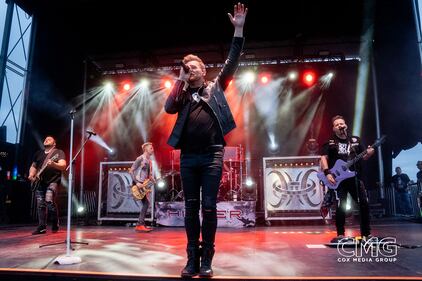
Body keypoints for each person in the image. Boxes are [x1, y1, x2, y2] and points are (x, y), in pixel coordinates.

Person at [164, 3, 247, 278]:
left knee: (209, 206)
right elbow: (168, 109)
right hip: (188, 156)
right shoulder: (183, 94)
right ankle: (191, 258)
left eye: (194, 66)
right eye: (187, 67)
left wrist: (238, 29)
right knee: (190, 207)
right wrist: (180, 80)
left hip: (212, 154)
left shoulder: (215, 88)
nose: (191, 69)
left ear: (204, 70)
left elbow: (232, 61)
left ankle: (207, 257)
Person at [320, 115, 374, 241]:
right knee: (341, 206)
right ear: (333, 128)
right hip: (339, 179)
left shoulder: (355, 140)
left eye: (342, 123)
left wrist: (370, 153)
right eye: (337, 124)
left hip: (355, 177)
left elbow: (364, 156)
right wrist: (327, 173)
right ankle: (340, 234)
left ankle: (366, 234)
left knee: (363, 204)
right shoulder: (330, 142)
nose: (340, 125)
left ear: (346, 125)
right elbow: (323, 158)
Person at [28, 136, 66, 235]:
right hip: (39, 182)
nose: (46, 139)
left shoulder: (58, 152)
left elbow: (63, 166)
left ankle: (55, 222)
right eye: (45, 138)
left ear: (54, 143)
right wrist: (31, 175)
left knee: (49, 200)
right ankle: (42, 227)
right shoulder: (38, 153)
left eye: (49, 139)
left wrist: (53, 164)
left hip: (53, 181)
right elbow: (33, 166)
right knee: (40, 205)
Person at [129, 142, 155, 232]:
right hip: (138, 183)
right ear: (146, 149)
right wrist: (136, 183)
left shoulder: (150, 161)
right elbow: (131, 171)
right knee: (146, 203)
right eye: (151, 148)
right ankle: (140, 224)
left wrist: (152, 179)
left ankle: (140, 224)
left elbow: (148, 175)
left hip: (144, 184)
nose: (153, 149)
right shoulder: (140, 158)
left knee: (146, 203)